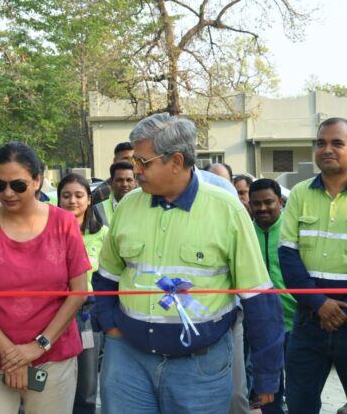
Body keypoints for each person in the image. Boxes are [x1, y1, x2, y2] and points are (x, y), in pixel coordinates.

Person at [93, 113, 284, 413]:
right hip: (128, 366)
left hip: (200, 371)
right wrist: (111, 329)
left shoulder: (227, 210)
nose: (136, 170)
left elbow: (258, 297)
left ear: (177, 161)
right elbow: (106, 278)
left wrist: (267, 371)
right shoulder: (128, 206)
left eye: (144, 162)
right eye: (134, 162)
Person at [0, 142, 91, 413]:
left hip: (52, 355)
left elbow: (78, 292)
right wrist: (12, 354)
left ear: (37, 181)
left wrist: (38, 347)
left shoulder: (64, 223)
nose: (7, 193)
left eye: (18, 185)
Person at [278, 118, 347, 414]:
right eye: (321, 143)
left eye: (337, 143)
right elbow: (288, 256)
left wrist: (345, 309)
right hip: (307, 320)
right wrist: (319, 304)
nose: (327, 149)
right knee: (299, 404)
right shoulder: (299, 194)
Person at [57, 173, 108, 414]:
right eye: (66, 196)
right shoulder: (48, 234)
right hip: (54, 315)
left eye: (79, 195)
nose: (72, 201)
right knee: (50, 382)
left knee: (87, 386)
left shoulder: (103, 235)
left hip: (89, 315)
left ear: (89, 200)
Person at [249, 179, 297, 414]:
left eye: (269, 202)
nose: (263, 208)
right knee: (269, 391)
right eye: (256, 203)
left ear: (280, 201)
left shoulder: (293, 230)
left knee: (299, 389)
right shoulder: (245, 233)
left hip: (296, 321)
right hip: (261, 326)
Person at [92, 161, 136, 227]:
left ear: (135, 183)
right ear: (111, 183)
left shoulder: (144, 207)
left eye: (129, 180)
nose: (124, 184)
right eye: (119, 180)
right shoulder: (97, 210)